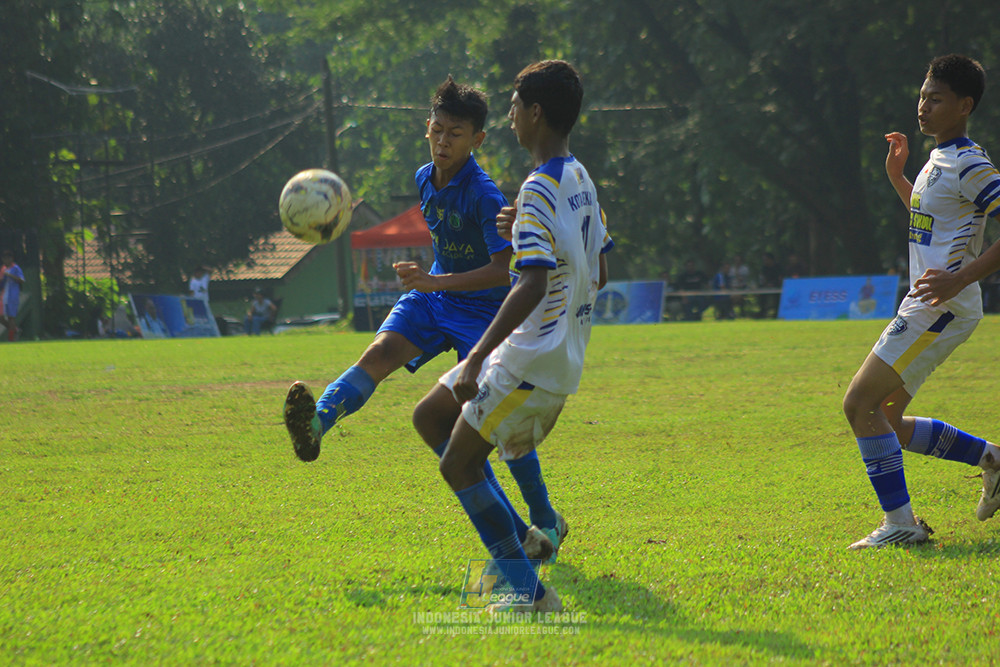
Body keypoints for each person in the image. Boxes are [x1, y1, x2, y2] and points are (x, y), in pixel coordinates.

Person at [282, 76, 567, 562]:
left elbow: (504, 271)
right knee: (378, 352)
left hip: (483, 310)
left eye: (455, 133)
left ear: (477, 140)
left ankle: (543, 522)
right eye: (436, 130)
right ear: (426, 128)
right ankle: (316, 426)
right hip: (434, 295)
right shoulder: (422, 178)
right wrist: (431, 281)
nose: (443, 141)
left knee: (488, 426)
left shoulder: (484, 195)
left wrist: (436, 282)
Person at [412, 60, 613, 613]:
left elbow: (529, 283)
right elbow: (599, 271)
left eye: (514, 105)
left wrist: (475, 356)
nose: (509, 115)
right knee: (429, 416)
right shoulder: (578, 179)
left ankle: (529, 592)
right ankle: (526, 539)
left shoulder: (537, 189)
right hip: (539, 353)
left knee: (456, 465)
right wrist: (527, 232)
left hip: (532, 361)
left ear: (535, 112)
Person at [843, 54, 1000, 549]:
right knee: (885, 418)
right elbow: (934, 219)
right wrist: (899, 180)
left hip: (939, 305)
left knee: (859, 404)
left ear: (964, 105)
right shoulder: (939, 157)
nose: (923, 106)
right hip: (935, 302)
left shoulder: (972, 163)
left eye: (935, 98)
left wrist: (959, 280)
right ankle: (993, 460)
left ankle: (901, 523)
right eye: (922, 96)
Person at [0, 250, 25, 342]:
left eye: (8, 258)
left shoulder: (16, 268)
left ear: (11, 259)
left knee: (11, 317)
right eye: (4, 258)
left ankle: (11, 339)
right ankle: (15, 330)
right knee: (1, 317)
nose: (6, 260)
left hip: (12, 295)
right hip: (3, 295)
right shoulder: (3, 268)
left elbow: (21, 280)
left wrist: (10, 275)